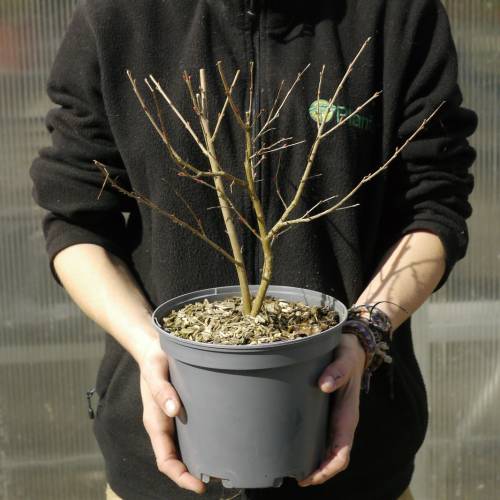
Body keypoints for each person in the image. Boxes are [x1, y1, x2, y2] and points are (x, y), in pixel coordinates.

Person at [30, 0, 477, 499]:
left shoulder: (396, 15)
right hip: (159, 466)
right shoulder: (117, 17)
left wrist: (364, 331)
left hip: (358, 466)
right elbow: (75, 219)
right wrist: (150, 346)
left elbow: (432, 208)